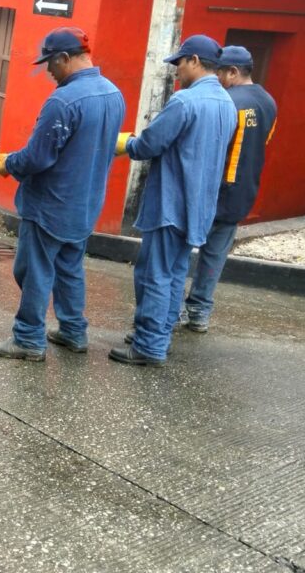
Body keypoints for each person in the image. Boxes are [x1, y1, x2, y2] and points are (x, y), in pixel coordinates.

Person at [0, 28, 125, 362]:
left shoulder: (63, 101)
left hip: (50, 204)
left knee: (33, 271)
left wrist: (8, 163)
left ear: (64, 58)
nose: (48, 70)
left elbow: (38, 157)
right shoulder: (113, 93)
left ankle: (28, 339)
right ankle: (73, 331)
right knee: (69, 268)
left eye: (50, 62)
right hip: (86, 203)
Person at [112, 35, 237, 366]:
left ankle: (149, 345)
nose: (176, 70)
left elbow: (149, 145)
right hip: (199, 207)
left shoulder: (184, 101)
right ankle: (158, 337)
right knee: (174, 273)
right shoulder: (227, 103)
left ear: (194, 61)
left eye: (179, 63)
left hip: (170, 203)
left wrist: (125, 143)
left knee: (154, 275)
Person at [181, 46, 277, 332]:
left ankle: (171, 312)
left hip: (212, 190)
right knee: (214, 255)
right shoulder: (268, 101)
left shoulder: (226, 101)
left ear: (233, 72)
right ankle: (199, 314)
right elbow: (263, 142)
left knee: (179, 253)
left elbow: (209, 146)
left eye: (219, 73)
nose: (215, 78)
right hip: (242, 192)